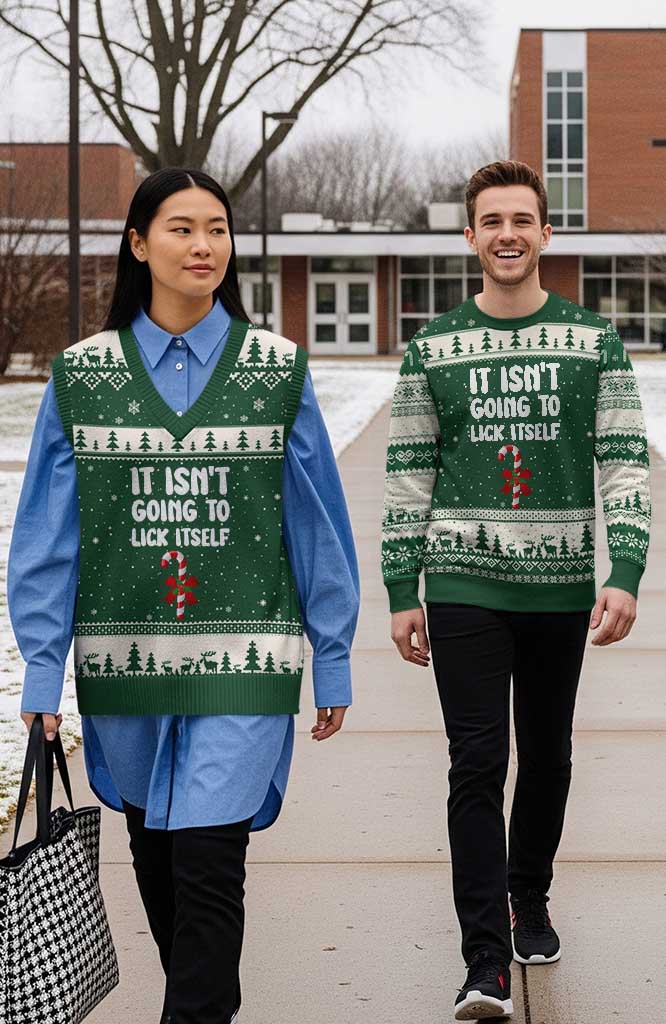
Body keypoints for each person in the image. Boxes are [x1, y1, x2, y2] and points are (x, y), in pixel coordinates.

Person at [11, 168, 359, 1024]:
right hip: (123, 663)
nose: (203, 246)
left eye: (216, 229)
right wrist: (42, 675)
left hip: (244, 660)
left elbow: (315, 522)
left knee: (210, 863)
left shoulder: (276, 371)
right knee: (159, 860)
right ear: (138, 244)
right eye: (180, 229)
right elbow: (46, 538)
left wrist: (334, 654)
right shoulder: (82, 376)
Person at [381, 160, 651, 1021]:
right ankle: (484, 960)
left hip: (561, 587)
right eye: (491, 220)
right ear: (469, 236)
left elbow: (624, 460)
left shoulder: (593, 341)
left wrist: (627, 569)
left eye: (522, 220)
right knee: (476, 761)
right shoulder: (433, 349)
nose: (507, 234)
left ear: (545, 233)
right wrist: (401, 586)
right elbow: (407, 474)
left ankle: (526, 895)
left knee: (549, 752)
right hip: (463, 580)